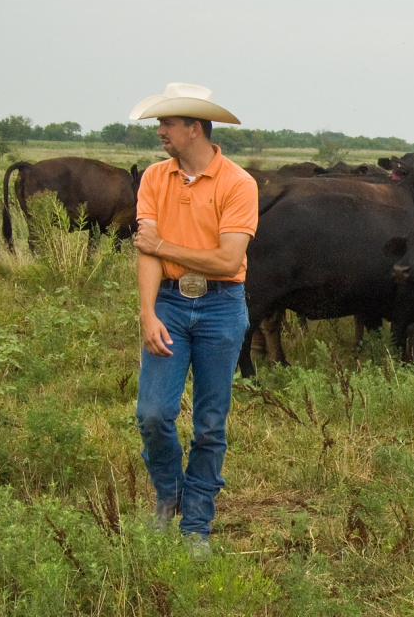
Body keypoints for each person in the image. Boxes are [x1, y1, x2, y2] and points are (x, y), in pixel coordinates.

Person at [129, 83, 258, 552]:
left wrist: (163, 246)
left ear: (195, 128)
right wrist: (146, 313)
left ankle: (196, 523)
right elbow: (146, 255)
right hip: (168, 300)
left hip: (222, 303)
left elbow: (227, 261)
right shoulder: (153, 179)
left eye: (168, 123)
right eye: (161, 123)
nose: (160, 131)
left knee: (209, 421)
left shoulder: (238, 183)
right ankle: (169, 494)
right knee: (153, 413)